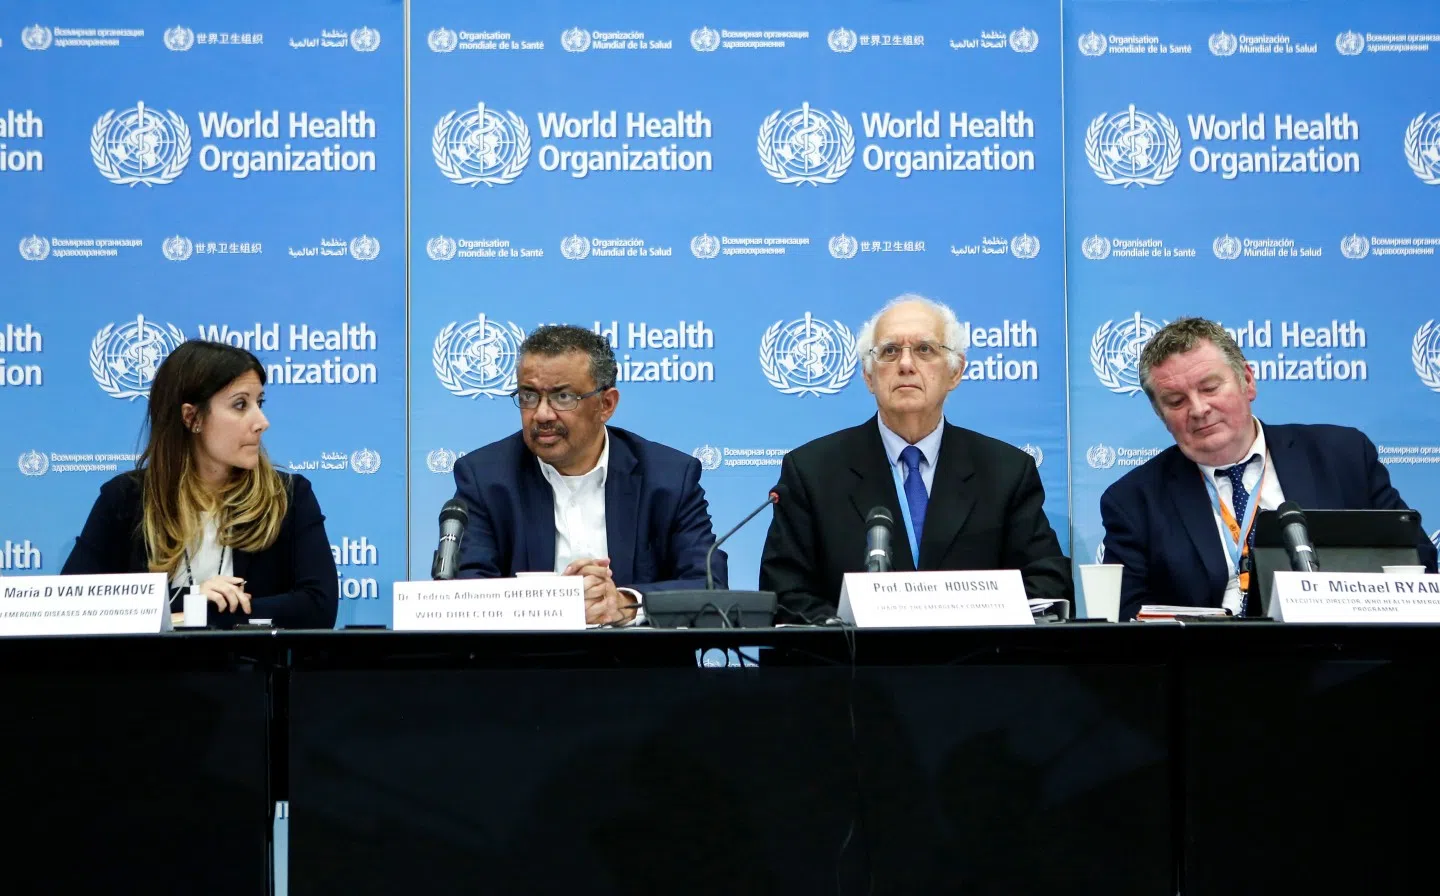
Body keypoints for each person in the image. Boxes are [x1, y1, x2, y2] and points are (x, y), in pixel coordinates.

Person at [759, 294, 1073, 623]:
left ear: (956, 371)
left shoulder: (1006, 471)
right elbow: (785, 594)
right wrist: (851, 633)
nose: (906, 364)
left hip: (974, 654)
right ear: (868, 376)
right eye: (889, 351)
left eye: (924, 349)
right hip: (853, 655)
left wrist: (971, 617)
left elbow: (1047, 582)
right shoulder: (812, 472)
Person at [1100, 317, 1438, 619]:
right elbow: (1126, 616)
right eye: (1176, 401)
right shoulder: (1134, 500)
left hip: (1337, 653)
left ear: (1247, 381)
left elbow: (1416, 561)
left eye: (1210, 388)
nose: (1199, 409)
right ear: (1161, 414)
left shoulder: (1341, 456)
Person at [450, 324, 725, 625]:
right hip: (530, 654)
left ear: (606, 404)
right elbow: (465, 590)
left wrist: (625, 603)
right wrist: (557, 604)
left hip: (639, 654)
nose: (542, 414)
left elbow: (709, 585)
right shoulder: (485, 478)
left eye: (563, 397)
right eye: (529, 396)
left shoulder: (668, 477)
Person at [63, 341, 339, 629]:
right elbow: (74, 606)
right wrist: (192, 598)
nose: (262, 421)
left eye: (259, 403)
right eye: (240, 405)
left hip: (252, 660)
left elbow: (318, 608)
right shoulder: (126, 498)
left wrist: (202, 612)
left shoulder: (288, 497)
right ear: (191, 417)